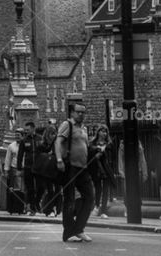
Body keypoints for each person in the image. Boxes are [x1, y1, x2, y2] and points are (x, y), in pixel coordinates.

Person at [56, 103, 94, 243]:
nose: (81, 114)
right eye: (78, 112)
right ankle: (69, 232)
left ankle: (78, 229)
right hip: (70, 167)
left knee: (90, 197)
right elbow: (58, 142)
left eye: (83, 112)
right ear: (72, 112)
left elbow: (85, 146)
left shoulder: (84, 128)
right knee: (69, 199)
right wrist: (59, 159)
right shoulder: (67, 125)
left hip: (82, 168)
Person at [88, 127, 115, 218]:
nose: (104, 134)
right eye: (102, 131)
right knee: (98, 188)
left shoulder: (109, 145)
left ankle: (103, 210)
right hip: (96, 169)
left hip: (106, 169)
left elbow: (111, 158)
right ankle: (96, 207)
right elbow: (90, 153)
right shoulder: (92, 144)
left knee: (106, 190)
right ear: (98, 132)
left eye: (106, 132)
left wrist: (104, 151)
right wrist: (97, 150)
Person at [17, 121, 39, 215]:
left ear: (33, 128)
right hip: (28, 167)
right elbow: (20, 155)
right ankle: (32, 207)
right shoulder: (24, 140)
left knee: (40, 187)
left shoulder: (40, 139)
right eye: (25, 130)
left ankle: (37, 204)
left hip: (39, 168)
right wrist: (19, 168)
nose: (26, 131)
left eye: (28, 129)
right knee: (30, 188)